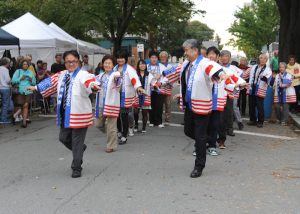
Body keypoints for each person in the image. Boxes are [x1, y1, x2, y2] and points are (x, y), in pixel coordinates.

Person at [28, 50, 100, 178]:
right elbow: (49, 82)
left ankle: (76, 167)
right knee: (63, 138)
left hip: (79, 113)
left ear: (78, 62)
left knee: (76, 141)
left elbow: (90, 82)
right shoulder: (61, 74)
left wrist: (93, 86)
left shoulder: (84, 74)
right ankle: (79, 149)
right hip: (64, 113)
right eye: (68, 61)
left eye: (73, 61)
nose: (71, 64)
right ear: (64, 62)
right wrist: (36, 88)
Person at [163, 39, 225, 178]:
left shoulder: (205, 63)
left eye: (186, 50)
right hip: (190, 105)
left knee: (200, 135)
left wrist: (220, 74)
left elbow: (214, 71)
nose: (185, 53)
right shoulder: (187, 64)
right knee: (188, 131)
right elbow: (175, 74)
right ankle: (208, 140)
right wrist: (161, 77)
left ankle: (199, 166)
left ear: (195, 50)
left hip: (202, 106)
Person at [115, 51, 143, 145]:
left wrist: (138, 87)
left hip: (125, 95)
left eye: (122, 57)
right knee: (117, 115)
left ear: (125, 59)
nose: (120, 59)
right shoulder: (114, 68)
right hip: (115, 95)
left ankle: (124, 136)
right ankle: (119, 131)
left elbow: (134, 79)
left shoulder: (130, 69)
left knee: (124, 115)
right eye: (118, 57)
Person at [95, 55, 119, 153]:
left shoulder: (115, 75)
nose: (107, 65)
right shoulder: (100, 75)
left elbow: (118, 83)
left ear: (113, 65)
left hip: (111, 104)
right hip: (100, 103)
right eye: (105, 63)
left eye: (109, 63)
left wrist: (117, 79)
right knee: (98, 124)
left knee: (111, 126)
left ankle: (111, 145)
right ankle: (112, 135)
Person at [219, 50, 244, 136]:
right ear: (220, 57)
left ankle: (229, 128)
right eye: (223, 56)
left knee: (230, 110)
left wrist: (236, 89)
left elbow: (240, 79)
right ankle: (220, 128)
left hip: (231, 92)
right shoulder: (217, 67)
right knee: (220, 111)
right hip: (220, 92)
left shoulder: (234, 68)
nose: (224, 58)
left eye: (226, 56)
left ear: (229, 58)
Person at [247, 53, 272, 128]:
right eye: (261, 58)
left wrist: (263, 77)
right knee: (251, 105)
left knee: (259, 106)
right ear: (259, 59)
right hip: (252, 87)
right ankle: (252, 120)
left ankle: (260, 121)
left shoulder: (268, 69)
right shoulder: (253, 67)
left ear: (266, 60)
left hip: (260, 88)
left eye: (264, 58)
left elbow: (268, 78)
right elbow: (246, 75)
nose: (262, 60)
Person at [133, 60, 157, 133]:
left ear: (145, 66)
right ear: (138, 66)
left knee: (145, 112)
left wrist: (156, 86)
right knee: (136, 112)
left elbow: (154, 83)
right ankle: (136, 124)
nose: (142, 65)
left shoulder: (149, 75)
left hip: (146, 95)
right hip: (136, 95)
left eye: (143, 64)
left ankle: (143, 127)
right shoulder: (135, 74)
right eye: (140, 64)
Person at [11, 59, 36, 128]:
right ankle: (15, 116)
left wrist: (31, 80)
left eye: (27, 64)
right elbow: (13, 81)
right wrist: (20, 78)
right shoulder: (18, 71)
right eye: (24, 64)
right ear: (21, 65)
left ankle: (24, 122)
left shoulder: (30, 72)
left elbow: (34, 82)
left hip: (29, 91)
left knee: (26, 105)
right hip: (20, 91)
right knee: (22, 105)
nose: (25, 65)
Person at [148, 51, 167, 128]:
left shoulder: (162, 67)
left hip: (159, 89)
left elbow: (166, 77)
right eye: (152, 57)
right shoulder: (146, 66)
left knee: (159, 106)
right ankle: (151, 121)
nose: (154, 59)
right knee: (151, 105)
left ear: (157, 59)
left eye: (155, 57)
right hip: (149, 89)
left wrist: (161, 83)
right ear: (149, 58)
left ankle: (159, 122)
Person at [159, 51, 174, 126]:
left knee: (168, 104)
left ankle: (167, 119)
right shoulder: (158, 66)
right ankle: (159, 119)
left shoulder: (170, 66)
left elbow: (173, 76)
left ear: (167, 57)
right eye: (162, 57)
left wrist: (169, 82)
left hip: (168, 87)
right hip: (160, 88)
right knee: (160, 104)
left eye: (165, 56)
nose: (163, 58)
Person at [0, 57, 12, 124]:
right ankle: (3, 119)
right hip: (5, 88)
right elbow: (8, 80)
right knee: (5, 104)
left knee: (2, 103)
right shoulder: (5, 69)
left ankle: (2, 117)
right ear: (7, 63)